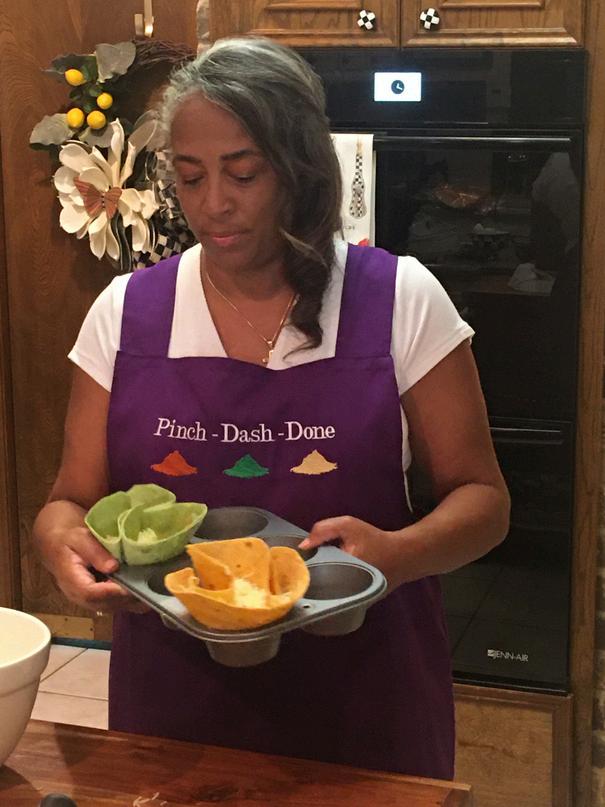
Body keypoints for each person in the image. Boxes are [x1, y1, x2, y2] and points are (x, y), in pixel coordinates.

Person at [33, 36, 510, 780]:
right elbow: (68, 501)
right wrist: (63, 547)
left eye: (243, 173)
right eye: (190, 177)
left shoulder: (400, 299)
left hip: (366, 704)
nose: (213, 204)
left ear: (299, 167)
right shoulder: (126, 314)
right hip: (173, 714)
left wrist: (399, 554)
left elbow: (484, 501)